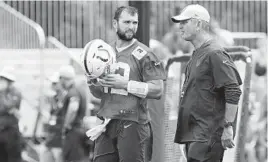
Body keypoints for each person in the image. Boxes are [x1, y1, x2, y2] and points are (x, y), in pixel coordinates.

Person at [86, 6, 166, 162]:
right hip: (107, 122)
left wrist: (126, 84)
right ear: (115, 24)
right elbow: (99, 94)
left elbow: (158, 90)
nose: (131, 27)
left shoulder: (145, 54)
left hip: (133, 123)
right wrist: (92, 81)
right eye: (126, 22)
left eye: (134, 22)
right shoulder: (104, 52)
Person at [171, 4, 243, 162]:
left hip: (208, 136)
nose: (180, 26)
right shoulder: (198, 52)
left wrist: (228, 126)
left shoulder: (214, 52)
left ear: (198, 24)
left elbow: (233, 89)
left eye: (185, 22)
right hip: (197, 136)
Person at [58, 65, 88, 162]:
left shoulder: (73, 91)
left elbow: (73, 108)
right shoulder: (79, 89)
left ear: (62, 78)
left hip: (73, 131)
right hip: (78, 129)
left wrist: (66, 126)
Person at [40, 72, 67, 162]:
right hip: (51, 136)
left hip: (60, 138)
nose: (53, 86)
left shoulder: (66, 98)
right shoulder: (53, 98)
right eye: (52, 83)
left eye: (55, 83)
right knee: (44, 155)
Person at [0, 66, 23, 162]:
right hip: (1, 131)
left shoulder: (16, 92)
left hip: (11, 132)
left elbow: (8, 105)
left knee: (13, 158)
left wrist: (2, 93)